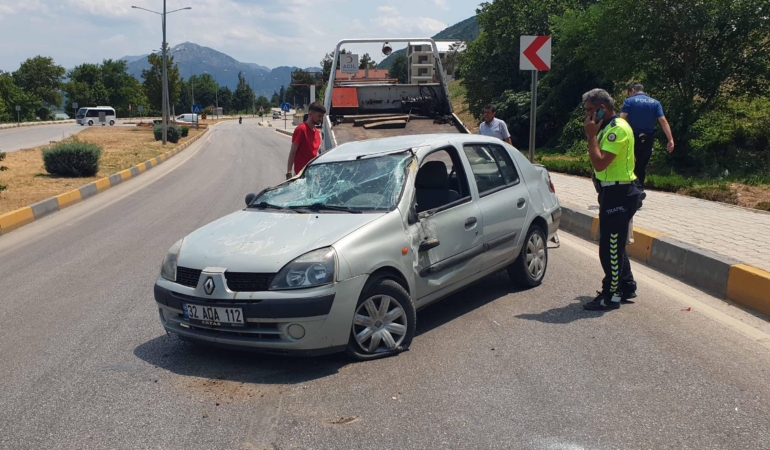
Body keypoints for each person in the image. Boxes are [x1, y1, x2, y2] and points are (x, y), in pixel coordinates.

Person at [582, 89, 640, 311]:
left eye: (589, 110)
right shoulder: (608, 127)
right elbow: (631, 157)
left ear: (601, 108)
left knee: (609, 247)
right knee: (615, 244)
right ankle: (625, 285)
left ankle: (611, 295)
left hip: (619, 193)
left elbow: (600, 164)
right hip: (613, 191)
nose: (586, 115)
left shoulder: (616, 129)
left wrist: (591, 136)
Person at [620, 84, 675, 207]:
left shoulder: (629, 101)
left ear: (632, 91)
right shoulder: (655, 102)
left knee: (630, 165)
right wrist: (670, 139)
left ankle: (635, 191)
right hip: (648, 138)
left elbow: (621, 119)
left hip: (632, 137)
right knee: (642, 165)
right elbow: (663, 120)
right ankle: (638, 191)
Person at [286, 102, 326, 179]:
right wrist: (289, 173)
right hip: (301, 177)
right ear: (311, 113)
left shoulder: (317, 132)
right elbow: (293, 152)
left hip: (313, 176)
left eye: (322, 117)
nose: (321, 119)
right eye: (319, 116)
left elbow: (315, 155)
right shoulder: (301, 130)